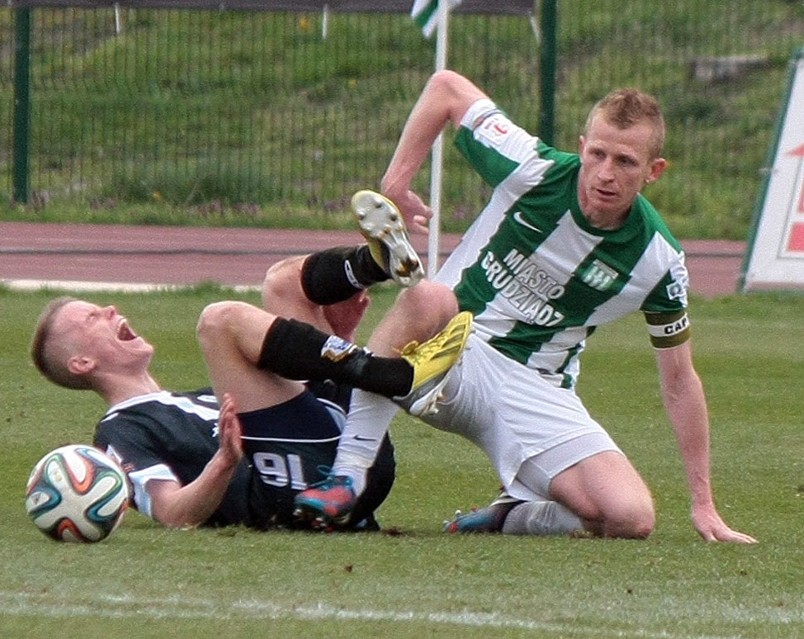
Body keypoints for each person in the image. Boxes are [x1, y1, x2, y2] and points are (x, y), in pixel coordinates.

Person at [293, 70, 757, 543]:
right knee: (429, 295)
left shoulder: (659, 260)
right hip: (449, 349)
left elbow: (680, 380)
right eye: (596, 154)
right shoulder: (530, 167)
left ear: (654, 171)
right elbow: (446, 87)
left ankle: (509, 516)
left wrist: (704, 505)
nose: (605, 174)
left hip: (535, 390)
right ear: (582, 146)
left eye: (625, 161)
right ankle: (346, 476)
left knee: (629, 517)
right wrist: (395, 184)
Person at [29, 190, 471, 532]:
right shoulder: (119, 432)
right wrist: (222, 463)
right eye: (92, 318)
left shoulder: (194, 398)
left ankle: (372, 264)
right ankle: (379, 373)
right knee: (218, 323)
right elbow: (171, 513)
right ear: (81, 363)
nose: (108, 310)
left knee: (423, 298)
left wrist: (340, 338)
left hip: (350, 460)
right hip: (288, 487)